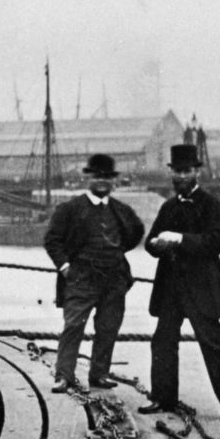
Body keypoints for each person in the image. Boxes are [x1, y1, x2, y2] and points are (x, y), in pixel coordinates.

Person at [142, 143, 220, 421]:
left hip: (201, 288)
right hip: (170, 288)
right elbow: (149, 243)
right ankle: (163, 398)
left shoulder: (212, 205)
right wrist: (156, 244)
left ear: (197, 171)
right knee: (163, 341)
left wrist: (180, 239)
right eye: (176, 171)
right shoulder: (168, 207)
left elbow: (217, 241)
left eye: (186, 171)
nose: (180, 177)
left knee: (212, 343)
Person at [43, 152, 144, 391]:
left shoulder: (121, 210)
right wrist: (66, 267)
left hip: (114, 278)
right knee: (73, 326)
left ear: (113, 181)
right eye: (97, 176)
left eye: (107, 177)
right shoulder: (70, 209)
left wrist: (116, 254)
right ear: (87, 177)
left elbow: (137, 232)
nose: (102, 181)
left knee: (108, 327)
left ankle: (99, 373)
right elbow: (52, 240)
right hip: (81, 278)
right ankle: (64, 375)